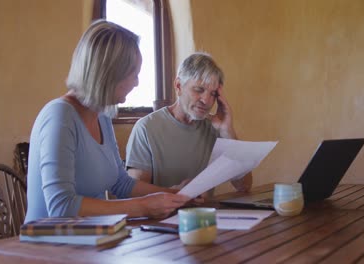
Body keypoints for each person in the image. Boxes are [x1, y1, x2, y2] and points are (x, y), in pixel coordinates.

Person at [24, 20, 190, 223]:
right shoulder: (59, 116)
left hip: (88, 240)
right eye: (133, 74)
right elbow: (61, 206)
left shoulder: (102, 116)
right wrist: (143, 207)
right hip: (47, 248)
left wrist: (174, 194)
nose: (137, 83)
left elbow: (120, 183)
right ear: (110, 74)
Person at [125, 52, 252, 195]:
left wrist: (227, 132)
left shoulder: (215, 128)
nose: (206, 100)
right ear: (178, 86)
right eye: (199, 90)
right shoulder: (147, 128)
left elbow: (244, 185)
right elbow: (133, 192)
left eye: (213, 94)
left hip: (204, 216)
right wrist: (176, 195)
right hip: (161, 216)